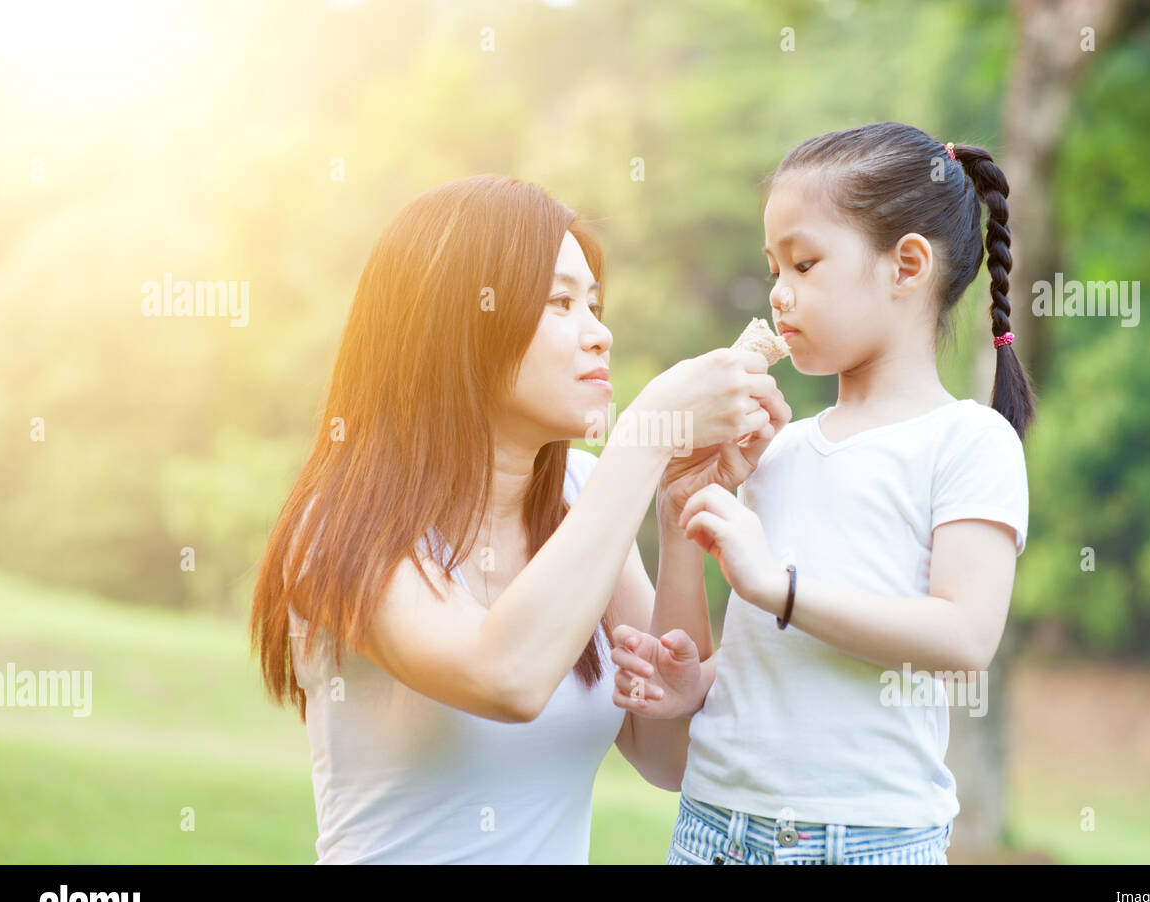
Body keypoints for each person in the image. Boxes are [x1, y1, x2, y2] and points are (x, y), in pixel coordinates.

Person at [248, 174, 790, 863]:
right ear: (459, 322)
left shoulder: (583, 493)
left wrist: (680, 519)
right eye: (561, 302)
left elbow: (671, 755)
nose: (601, 334)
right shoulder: (336, 529)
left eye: (594, 304)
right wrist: (646, 433)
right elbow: (504, 675)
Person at [609, 122, 1035, 864]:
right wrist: (697, 677)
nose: (779, 294)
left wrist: (781, 587)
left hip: (866, 840)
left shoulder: (969, 440)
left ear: (906, 266)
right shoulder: (777, 450)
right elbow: (769, 654)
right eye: (773, 268)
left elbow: (964, 637)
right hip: (715, 826)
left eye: (804, 264)